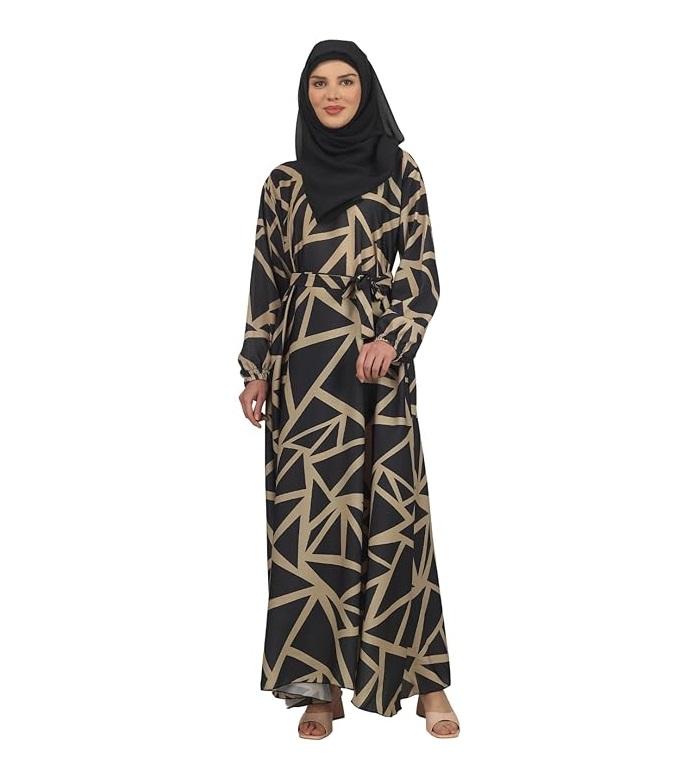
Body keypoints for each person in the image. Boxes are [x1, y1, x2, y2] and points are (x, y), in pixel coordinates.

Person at [237, 39, 460, 740]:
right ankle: (319, 687)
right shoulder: (283, 183)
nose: (332, 94)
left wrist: (392, 337)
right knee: (310, 524)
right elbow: (268, 277)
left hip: (374, 365)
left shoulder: (399, 171)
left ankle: (425, 684)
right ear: (305, 95)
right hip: (304, 372)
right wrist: (255, 368)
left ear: (367, 91)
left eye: (346, 81)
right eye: (318, 83)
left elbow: (420, 270)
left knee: (395, 515)